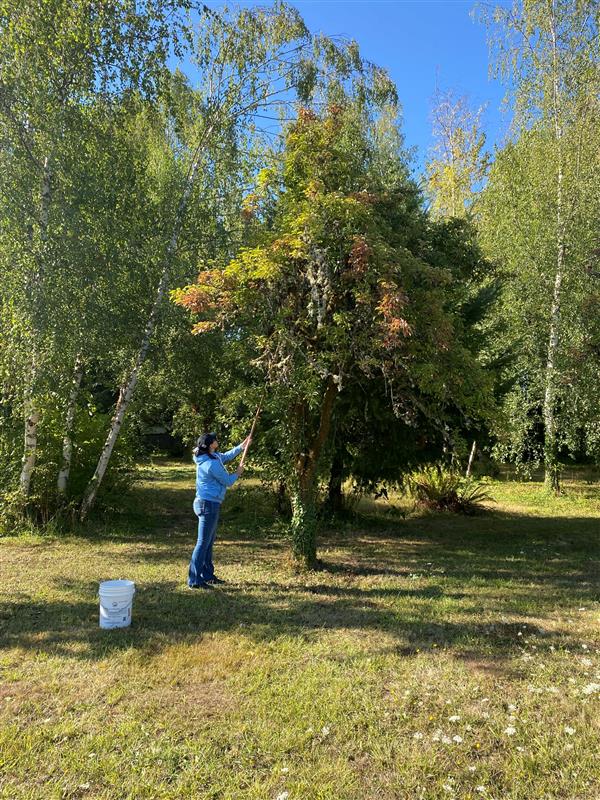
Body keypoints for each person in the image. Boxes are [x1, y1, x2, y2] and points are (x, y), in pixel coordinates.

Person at [188, 431, 251, 589]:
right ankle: (194, 580)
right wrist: (237, 473)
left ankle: (208, 576)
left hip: (207, 503)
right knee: (202, 543)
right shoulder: (211, 464)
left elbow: (226, 456)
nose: (217, 440)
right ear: (210, 445)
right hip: (208, 504)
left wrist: (241, 447)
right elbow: (228, 481)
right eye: (215, 439)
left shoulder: (210, 456)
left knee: (207, 543)